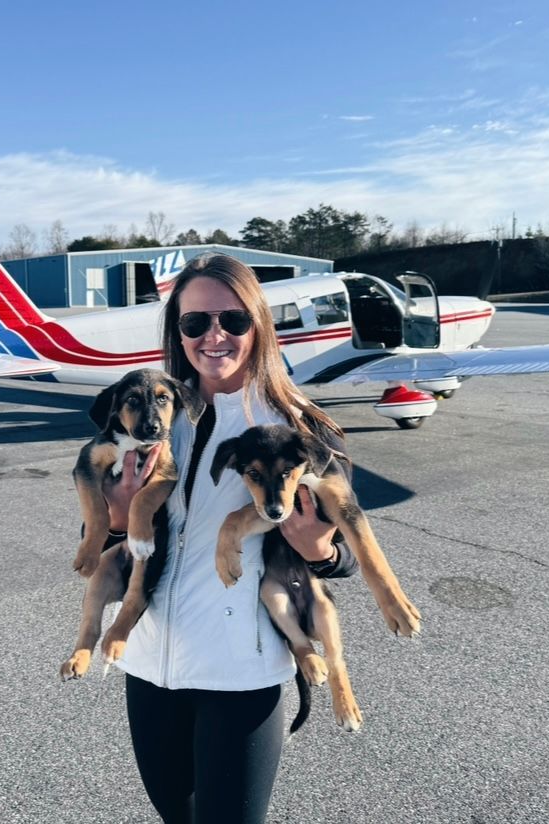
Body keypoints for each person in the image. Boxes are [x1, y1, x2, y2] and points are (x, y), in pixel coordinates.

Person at [102, 253, 358, 824]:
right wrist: (117, 520)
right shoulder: (153, 417)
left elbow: (344, 559)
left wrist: (321, 550)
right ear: (177, 332)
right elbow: (108, 544)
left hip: (241, 677)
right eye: (195, 323)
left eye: (234, 321)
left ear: (259, 325)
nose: (214, 336)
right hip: (151, 667)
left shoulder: (302, 428)